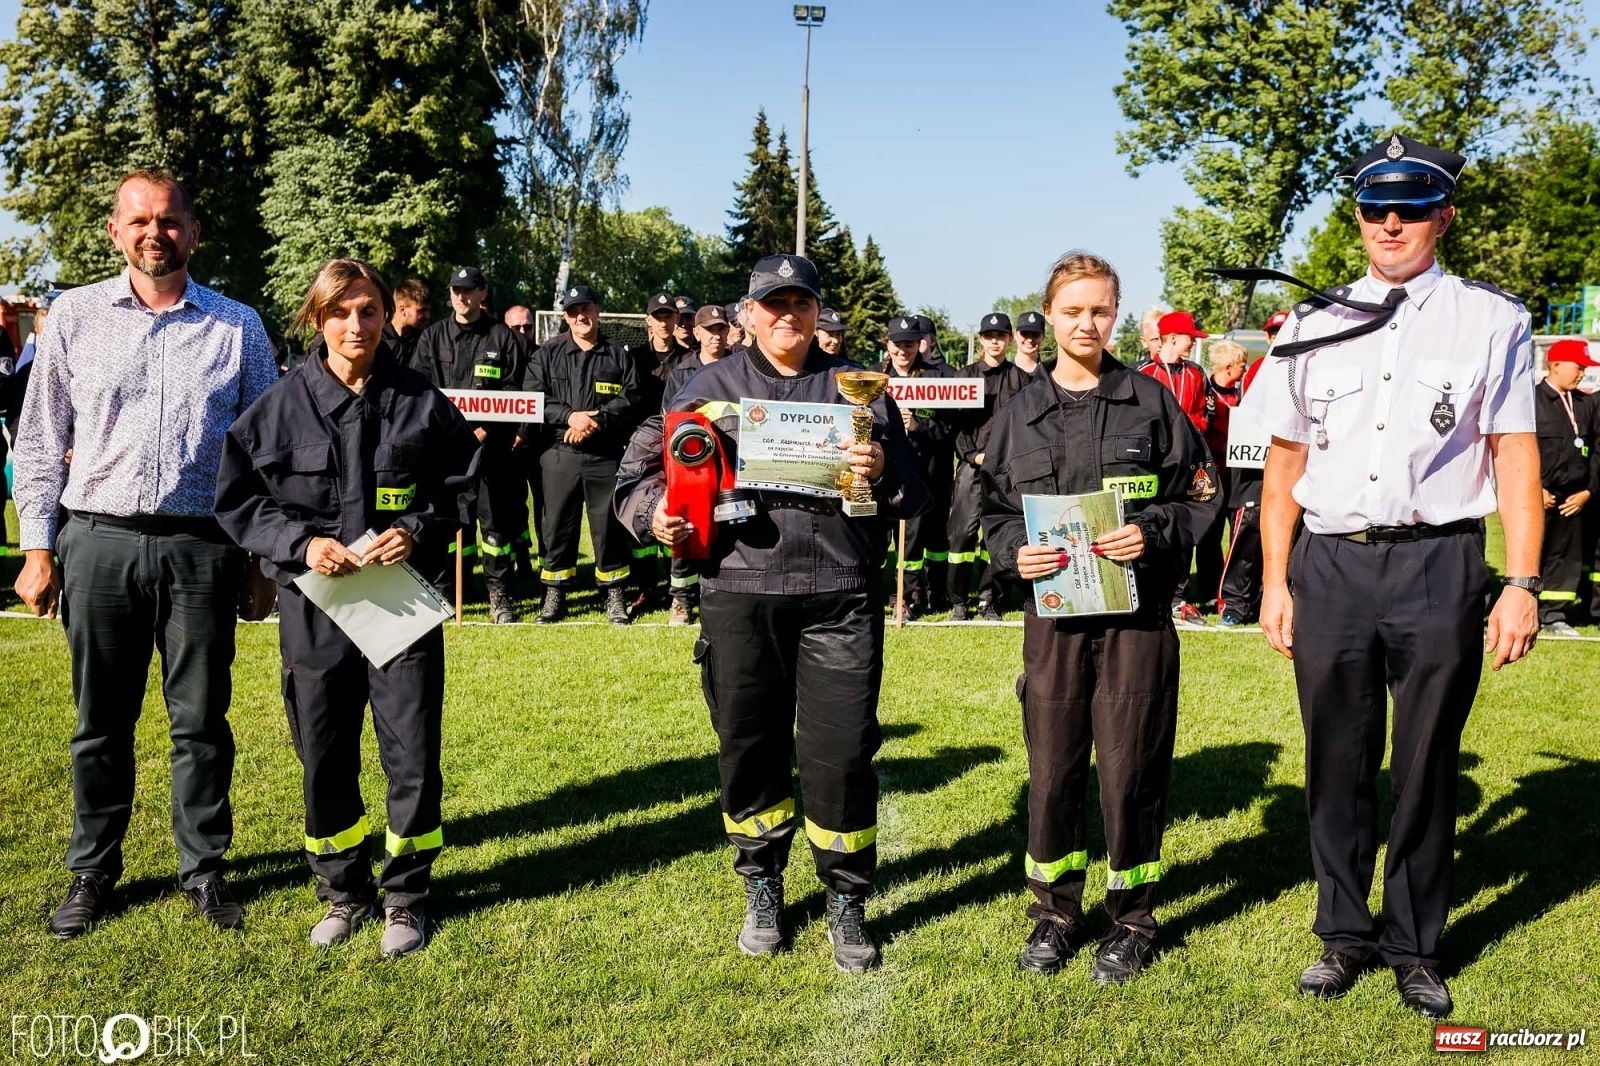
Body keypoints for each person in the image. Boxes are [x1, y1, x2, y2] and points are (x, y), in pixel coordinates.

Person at [1253, 133, 1541, 1019]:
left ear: (1442, 214)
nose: (1391, 222)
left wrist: (1522, 582)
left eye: (1411, 207)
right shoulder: (1311, 322)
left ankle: (1414, 942)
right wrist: (1275, 581)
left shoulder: (1492, 320)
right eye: (1375, 207)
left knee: (1425, 765)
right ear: (1357, 215)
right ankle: (1343, 934)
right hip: (1331, 565)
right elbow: (1282, 465)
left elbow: (1516, 455)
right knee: (1335, 760)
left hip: (1438, 564)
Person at [615, 254, 929, 973]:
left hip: (840, 595)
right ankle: (762, 883)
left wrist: (882, 471)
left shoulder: (861, 391)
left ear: (818, 313)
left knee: (843, 755)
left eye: (802, 303)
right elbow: (641, 473)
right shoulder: (706, 388)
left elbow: (915, 494)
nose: (789, 316)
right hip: (740, 590)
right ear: (747, 314)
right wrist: (654, 514)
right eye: (774, 304)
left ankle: (846, 897)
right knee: (749, 748)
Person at [12, 169, 278, 937]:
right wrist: (37, 546)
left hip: (202, 549)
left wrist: (260, 558)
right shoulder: (72, 317)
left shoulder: (237, 326)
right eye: (139, 220)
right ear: (114, 231)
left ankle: (204, 869)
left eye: (168, 220)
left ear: (193, 233)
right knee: (101, 722)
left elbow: (264, 452)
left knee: (200, 722)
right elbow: (39, 442)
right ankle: (93, 872)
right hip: (97, 540)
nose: (153, 232)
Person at [215, 259, 480, 957]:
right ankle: (342, 890)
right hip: (316, 607)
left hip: (399, 608)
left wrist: (418, 530)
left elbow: (462, 486)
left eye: (368, 309)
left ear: (387, 314)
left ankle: (407, 897)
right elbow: (240, 501)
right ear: (316, 319)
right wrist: (301, 546)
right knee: (324, 753)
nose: (355, 325)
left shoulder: (421, 400)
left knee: (412, 755)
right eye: (340, 311)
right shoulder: (277, 408)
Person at [980, 250, 1220, 984]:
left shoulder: (1152, 403)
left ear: (1117, 315)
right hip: (1053, 624)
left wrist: (1155, 531)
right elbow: (987, 513)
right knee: (1052, 773)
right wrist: (1013, 550)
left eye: (1101, 310)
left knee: (1130, 770)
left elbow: (1202, 496)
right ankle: (1055, 914)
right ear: (1049, 315)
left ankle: (1132, 919)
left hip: (1136, 623)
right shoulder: (1017, 414)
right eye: (1074, 310)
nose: (1087, 323)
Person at [409, 267, 528, 623]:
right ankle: (445, 590)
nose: (461, 297)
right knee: (448, 525)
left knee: (495, 527)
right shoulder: (432, 338)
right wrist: (452, 434)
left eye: (468, 290)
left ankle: (499, 594)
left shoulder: (504, 338)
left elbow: (515, 391)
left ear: (482, 294)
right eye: (455, 291)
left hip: (491, 449)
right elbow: (419, 391)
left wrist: (486, 428)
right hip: (446, 453)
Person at [528, 284, 642, 624]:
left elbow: (631, 398)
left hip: (604, 453)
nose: (582, 316)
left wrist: (597, 420)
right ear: (565, 316)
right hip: (559, 452)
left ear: (597, 311)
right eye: (575, 311)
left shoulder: (618, 354)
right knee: (557, 526)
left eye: (587, 308)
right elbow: (535, 398)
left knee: (608, 527)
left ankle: (614, 594)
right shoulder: (547, 353)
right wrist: (569, 417)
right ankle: (555, 595)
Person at [948, 312, 1033, 620]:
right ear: (981, 339)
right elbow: (955, 427)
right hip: (972, 467)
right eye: (989, 336)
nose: (995, 341)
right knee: (962, 535)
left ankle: (990, 599)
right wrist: (972, 456)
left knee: (996, 535)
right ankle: (959, 600)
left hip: (1006, 472)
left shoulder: (1022, 380)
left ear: (1009, 340)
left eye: (1001, 336)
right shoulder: (963, 377)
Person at [877, 315, 955, 618]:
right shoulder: (876, 379)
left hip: (933, 471)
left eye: (909, 344)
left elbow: (949, 430)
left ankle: (937, 592)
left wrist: (918, 425)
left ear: (919, 345)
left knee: (935, 538)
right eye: (897, 344)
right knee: (902, 539)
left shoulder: (939, 379)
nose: (903, 351)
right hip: (892, 472)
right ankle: (906, 597)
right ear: (888, 345)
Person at [660, 303, 733, 625]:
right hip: (690, 465)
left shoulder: (739, 367)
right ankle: (681, 600)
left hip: (730, 461)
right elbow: (668, 418)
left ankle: (719, 595)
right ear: (697, 332)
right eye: (710, 330)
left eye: (721, 329)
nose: (716, 336)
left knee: (727, 531)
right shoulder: (682, 372)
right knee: (686, 527)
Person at [1138, 310, 1211, 626]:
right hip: (1154, 466)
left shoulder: (1196, 373)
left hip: (1190, 463)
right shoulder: (1143, 373)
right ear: (1171, 339)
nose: (1194, 343)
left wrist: (1190, 425)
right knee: (1150, 522)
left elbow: (1206, 414)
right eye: (1190, 338)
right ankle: (1148, 592)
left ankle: (1180, 599)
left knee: (1185, 525)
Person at [1217, 314, 1285, 625]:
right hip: (1252, 467)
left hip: (1285, 466)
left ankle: (1264, 601)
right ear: (1268, 337)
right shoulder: (1259, 368)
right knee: (1246, 536)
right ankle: (1234, 604)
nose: (1278, 336)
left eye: (1283, 331)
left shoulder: (1308, 362)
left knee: (1283, 539)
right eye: (1274, 332)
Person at [1533, 339, 1600, 634]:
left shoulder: (1586, 405)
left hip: (1574, 498)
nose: (1582, 373)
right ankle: (1527, 607)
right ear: (1555, 365)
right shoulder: (1530, 401)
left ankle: (1554, 615)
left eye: (1585, 368)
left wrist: (1589, 491)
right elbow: (1519, 451)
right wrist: (1535, 488)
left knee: (1565, 558)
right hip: (1539, 496)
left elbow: (1597, 451)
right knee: (1534, 553)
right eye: (1578, 367)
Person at [1195, 340, 1247, 611]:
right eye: (1242, 365)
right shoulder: (1206, 392)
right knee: (1209, 536)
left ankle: (1232, 591)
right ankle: (1207, 588)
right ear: (1228, 367)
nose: (1245, 369)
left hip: (1238, 474)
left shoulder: (1243, 393)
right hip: (1212, 472)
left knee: (1238, 537)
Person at [502, 303, 545, 586]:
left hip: (541, 445)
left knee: (547, 509)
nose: (521, 332)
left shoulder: (545, 356)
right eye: (515, 327)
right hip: (507, 448)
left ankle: (548, 567)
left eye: (526, 327)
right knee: (512, 509)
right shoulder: (500, 357)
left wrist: (524, 432)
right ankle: (521, 563)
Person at [387, 277, 432, 370]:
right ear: (402, 310)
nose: (427, 316)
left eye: (428, 310)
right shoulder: (377, 338)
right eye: (422, 311)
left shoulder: (425, 340)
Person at [1014, 311, 1047, 375]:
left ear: (1043, 337)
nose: (1030, 340)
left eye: (1035, 334)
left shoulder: (1049, 373)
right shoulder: (1003, 373)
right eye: (1025, 334)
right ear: (1015, 335)